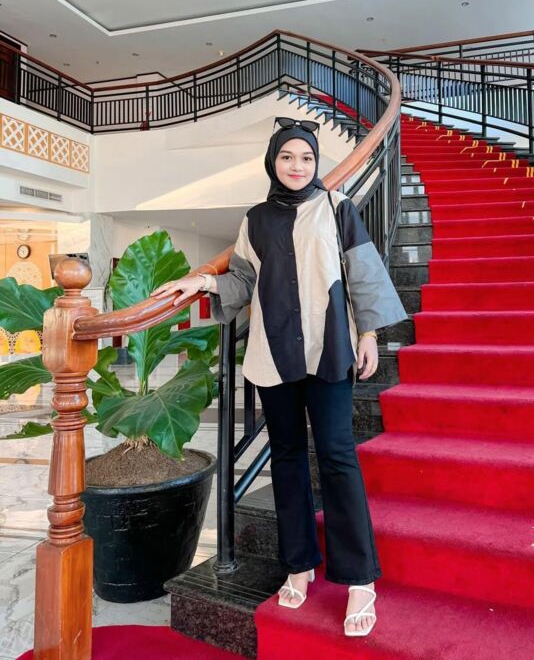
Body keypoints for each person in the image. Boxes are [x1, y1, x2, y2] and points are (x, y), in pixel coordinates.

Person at [151, 116, 407, 637]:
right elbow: (243, 280)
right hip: (273, 355)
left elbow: (361, 272)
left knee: (337, 456)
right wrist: (202, 281)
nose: (297, 166)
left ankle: (360, 577)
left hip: (328, 349)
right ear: (273, 162)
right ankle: (298, 563)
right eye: (287, 156)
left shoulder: (337, 208)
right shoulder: (256, 220)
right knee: (286, 458)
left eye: (307, 158)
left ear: (316, 163)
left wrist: (368, 334)